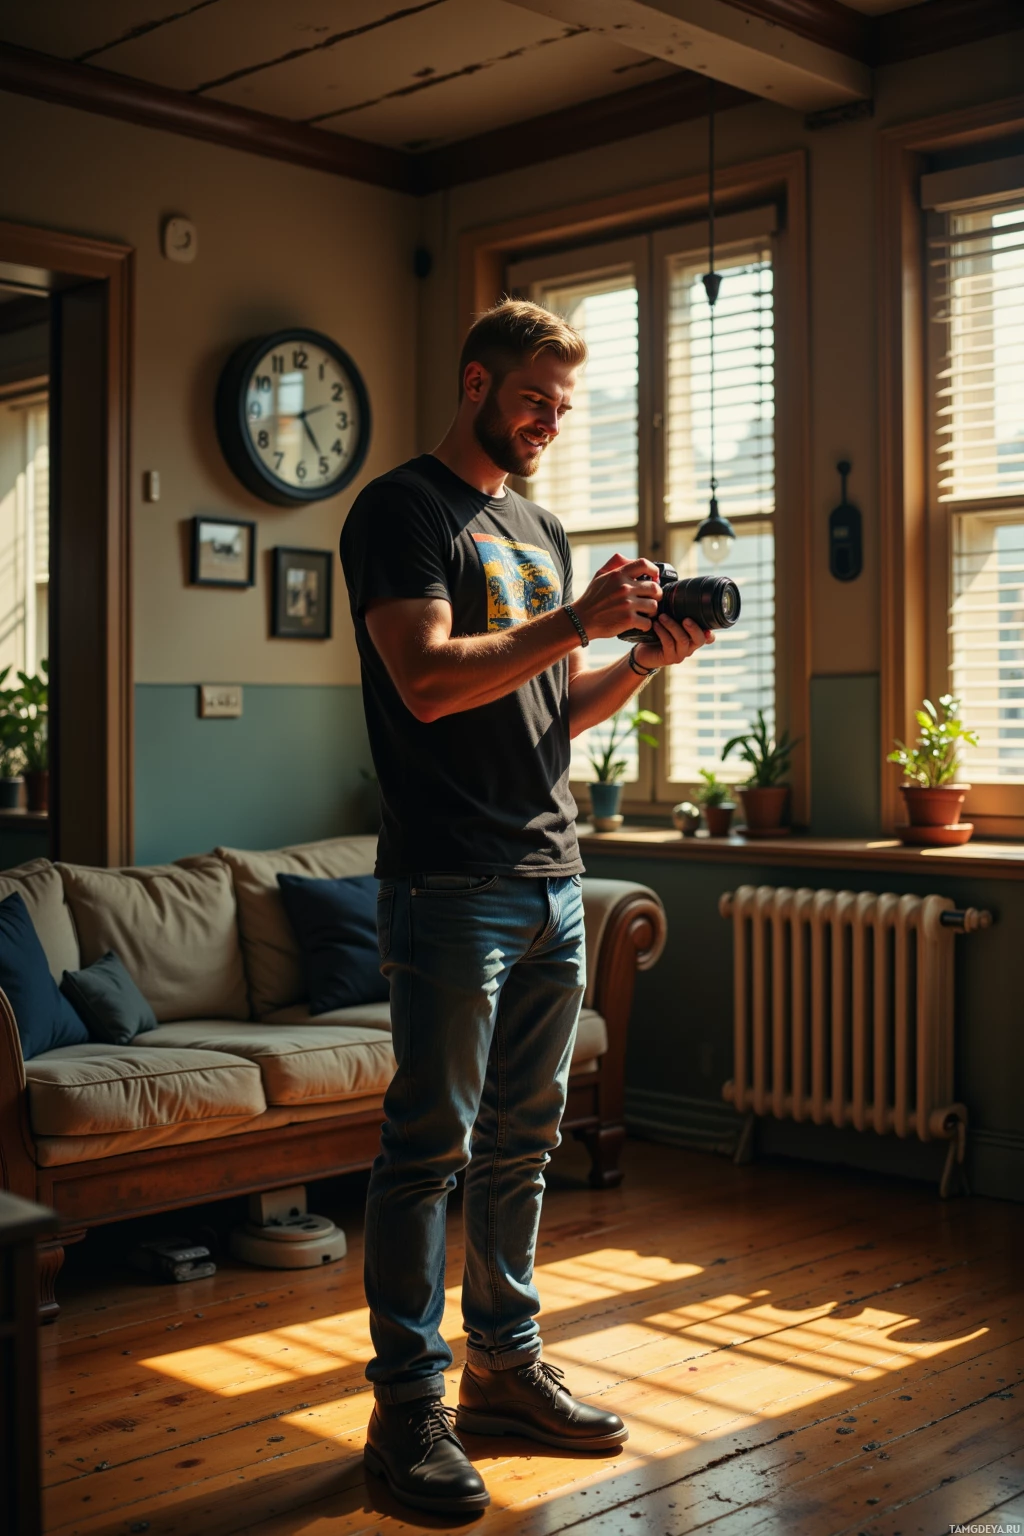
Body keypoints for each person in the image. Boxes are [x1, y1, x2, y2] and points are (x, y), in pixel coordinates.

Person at [340, 299, 712, 1515]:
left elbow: (550, 709)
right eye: (532, 398)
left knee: (522, 1144)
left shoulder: (540, 527)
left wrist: (641, 657)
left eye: (562, 403)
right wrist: (575, 617)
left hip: (555, 876)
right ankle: (407, 1413)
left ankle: (504, 1368)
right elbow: (430, 683)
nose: (550, 420)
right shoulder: (401, 511)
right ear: (474, 383)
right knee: (425, 1150)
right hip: (449, 881)